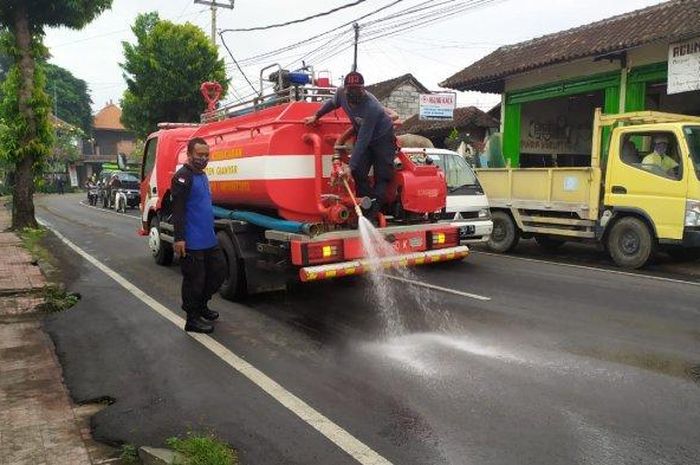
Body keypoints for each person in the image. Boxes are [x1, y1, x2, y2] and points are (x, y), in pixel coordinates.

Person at [304, 71, 396, 218]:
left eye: (358, 89)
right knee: (359, 172)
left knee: (382, 175)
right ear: (345, 89)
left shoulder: (371, 107)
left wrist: (349, 166)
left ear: (363, 89)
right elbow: (332, 104)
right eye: (351, 89)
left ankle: (371, 214)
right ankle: (366, 205)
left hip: (382, 138)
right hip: (362, 133)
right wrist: (317, 115)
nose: (354, 92)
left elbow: (363, 140)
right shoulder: (340, 94)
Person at [171, 137, 226, 334]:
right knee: (195, 280)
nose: (203, 158)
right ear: (189, 155)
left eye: (206, 155)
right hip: (192, 241)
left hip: (208, 238)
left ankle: (202, 305)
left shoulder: (202, 175)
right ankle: (192, 319)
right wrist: (179, 238)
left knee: (218, 273)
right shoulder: (182, 177)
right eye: (199, 155)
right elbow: (177, 210)